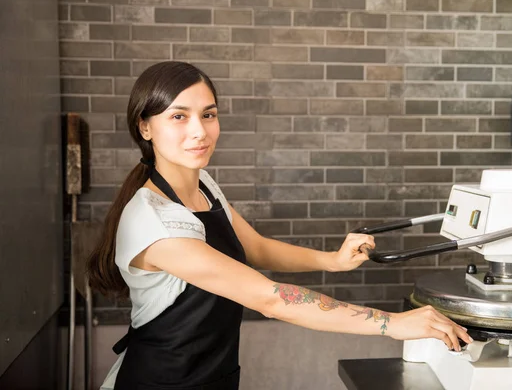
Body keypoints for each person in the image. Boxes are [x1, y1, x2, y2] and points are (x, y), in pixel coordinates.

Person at [87, 61, 472, 390]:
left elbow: (254, 247)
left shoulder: (203, 185)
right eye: (178, 116)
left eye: (208, 114)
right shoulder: (154, 220)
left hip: (213, 375)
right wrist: (393, 324)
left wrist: (332, 261)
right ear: (145, 127)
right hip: (160, 381)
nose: (199, 131)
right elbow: (269, 299)